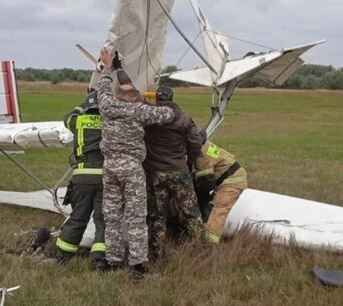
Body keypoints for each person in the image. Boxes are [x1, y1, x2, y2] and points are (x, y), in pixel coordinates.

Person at [97, 47, 175, 280]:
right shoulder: (138, 111)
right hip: (131, 168)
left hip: (110, 167)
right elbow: (167, 115)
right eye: (135, 94)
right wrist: (160, 102)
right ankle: (138, 266)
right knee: (136, 217)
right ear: (131, 98)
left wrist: (110, 66)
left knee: (111, 216)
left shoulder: (107, 105)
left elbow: (102, 87)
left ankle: (112, 262)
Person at [144, 85, 204, 261]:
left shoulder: (148, 117)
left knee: (156, 215)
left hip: (155, 173)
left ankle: (156, 255)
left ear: (157, 99)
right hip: (178, 171)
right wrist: (190, 162)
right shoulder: (184, 118)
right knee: (191, 212)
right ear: (172, 98)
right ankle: (201, 251)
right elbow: (195, 142)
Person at [55, 90, 107, 271]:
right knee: (103, 220)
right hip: (104, 178)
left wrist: (82, 104)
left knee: (78, 217)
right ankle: (99, 259)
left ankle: (63, 255)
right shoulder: (110, 123)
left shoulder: (78, 121)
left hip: (82, 177)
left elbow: (67, 117)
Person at [193, 134, 248, 244]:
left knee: (216, 212)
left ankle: (208, 245)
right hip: (228, 175)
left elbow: (206, 183)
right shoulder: (201, 143)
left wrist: (201, 203)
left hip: (232, 180)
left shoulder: (199, 153)